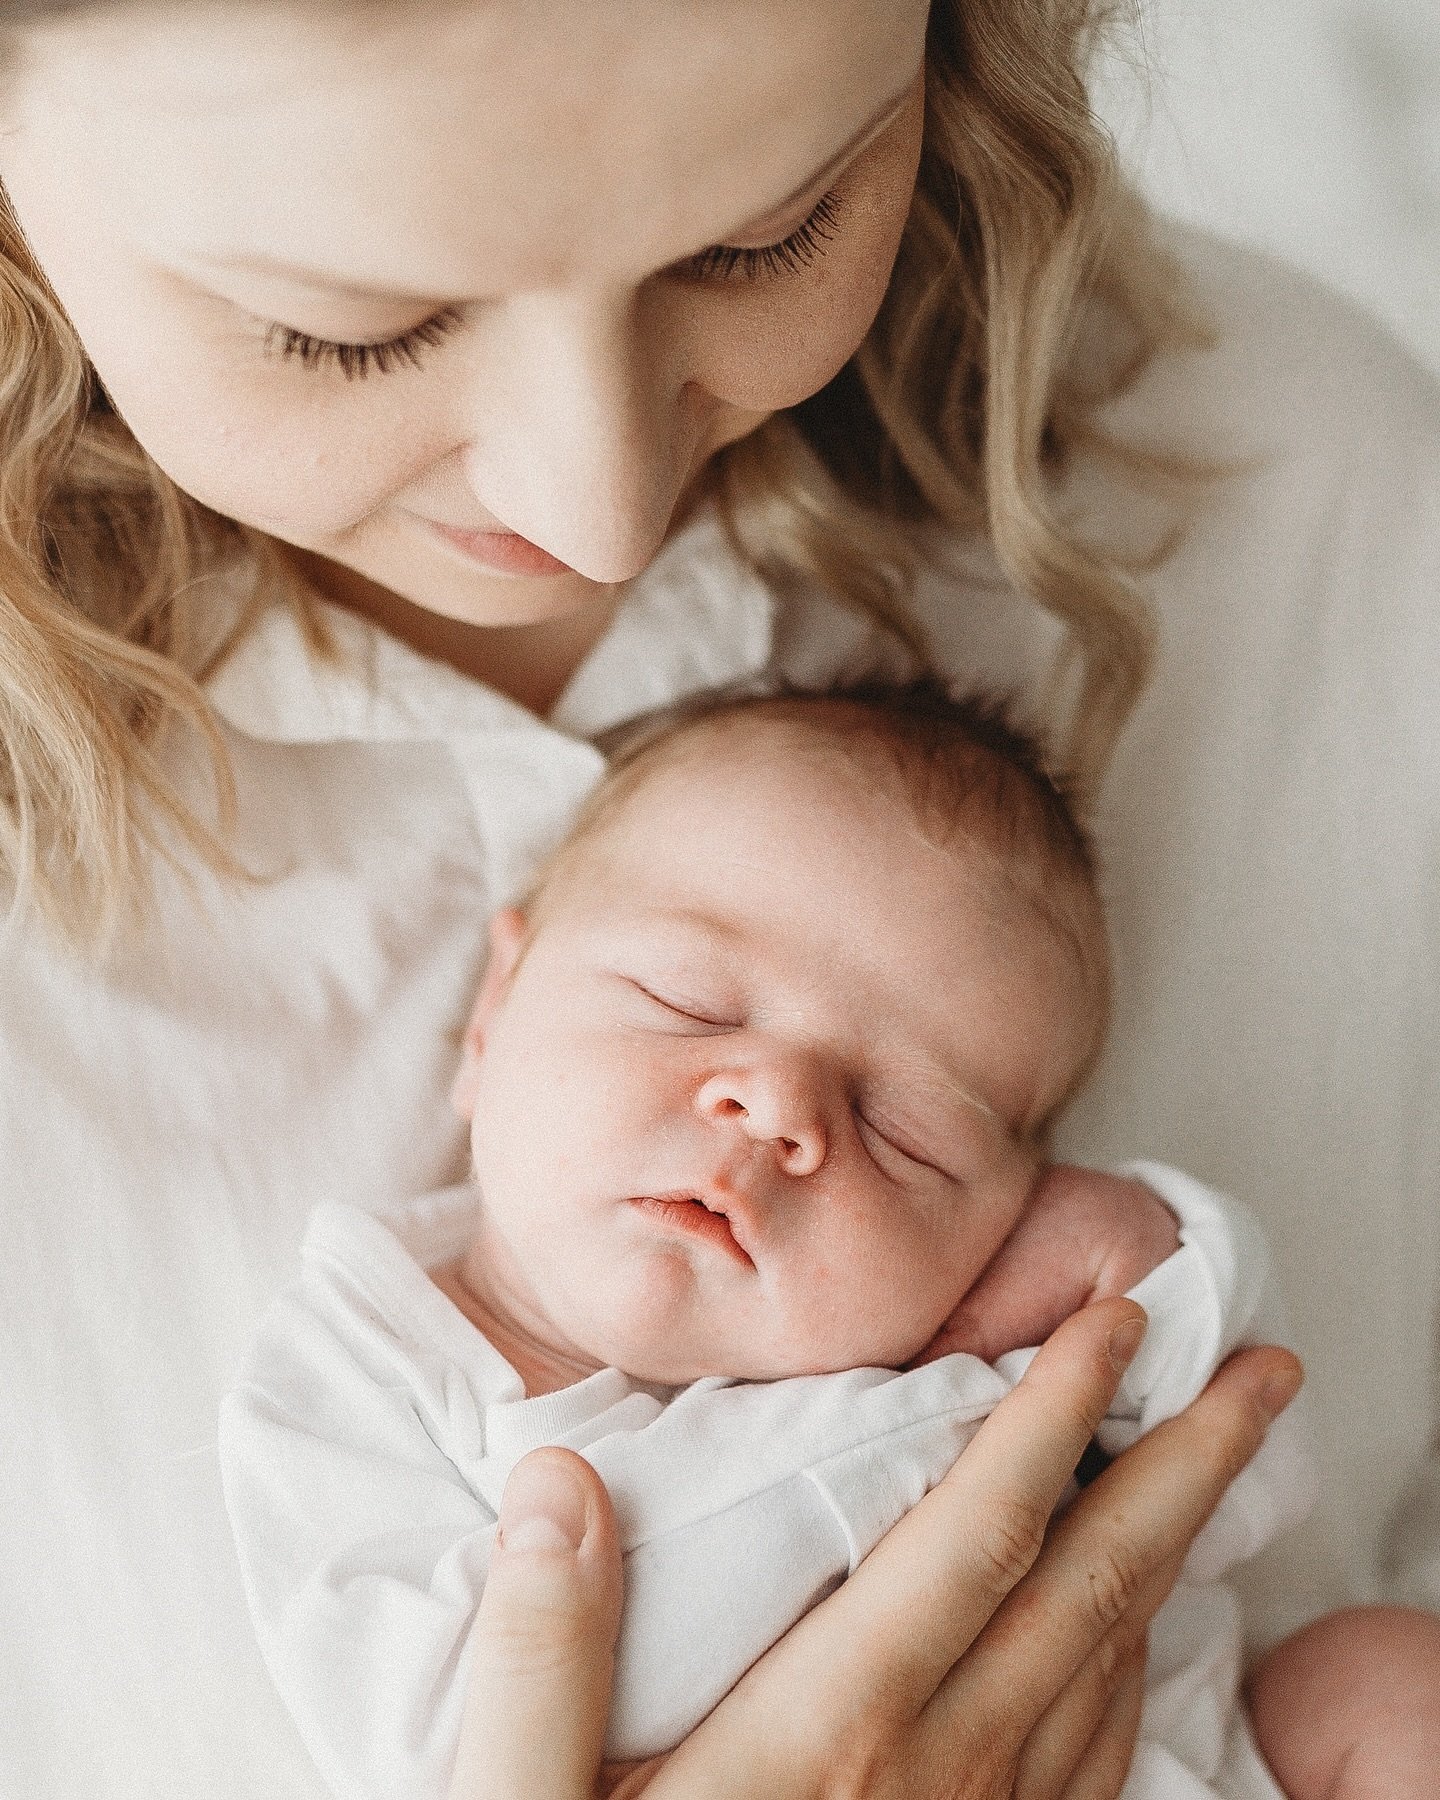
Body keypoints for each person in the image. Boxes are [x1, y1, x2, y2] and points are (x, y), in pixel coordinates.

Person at [0, 2, 1434, 1798]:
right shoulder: (370, 1389)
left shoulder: (1304, 493)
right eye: (346, 328)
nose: (590, 505)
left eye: (769, 232)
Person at [220, 678, 1394, 1798]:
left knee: (1383, 1687)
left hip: (1182, 1759)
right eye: (688, 1003)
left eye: (908, 1134)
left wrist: (1148, 1247)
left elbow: (1245, 1487)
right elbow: (451, 1747)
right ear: (492, 1018)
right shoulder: (350, 1378)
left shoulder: (965, 1318)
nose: (778, 1106)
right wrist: (924, 1426)